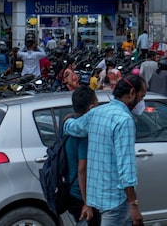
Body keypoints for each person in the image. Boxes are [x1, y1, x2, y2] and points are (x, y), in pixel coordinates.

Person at [63, 76, 147, 226]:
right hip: (114, 201)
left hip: (96, 197)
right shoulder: (124, 120)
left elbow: (74, 127)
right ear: (132, 93)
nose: (142, 102)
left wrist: (67, 120)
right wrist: (133, 204)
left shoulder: (98, 112)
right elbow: (126, 168)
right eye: (141, 97)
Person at [64, 86, 101, 226]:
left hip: (71, 189)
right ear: (92, 108)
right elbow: (82, 170)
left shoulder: (68, 125)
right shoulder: (84, 136)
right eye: (97, 104)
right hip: (81, 194)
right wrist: (87, 204)